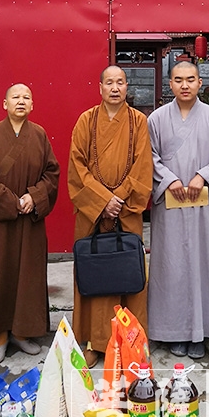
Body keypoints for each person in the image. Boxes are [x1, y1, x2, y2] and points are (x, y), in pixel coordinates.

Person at [0, 83, 59, 364]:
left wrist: (34, 196)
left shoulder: (39, 135)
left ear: (32, 105)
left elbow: (52, 174)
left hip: (29, 221)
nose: (21, 101)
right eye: (15, 97)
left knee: (27, 275)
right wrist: (9, 201)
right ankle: (0, 334)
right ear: (4, 104)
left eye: (26, 97)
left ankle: (23, 332)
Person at [68, 65, 153, 368]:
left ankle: (130, 342)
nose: (115, 88)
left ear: (127, 87)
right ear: (100, 87)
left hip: (125, 211)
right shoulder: (86, 121)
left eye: (120, 83)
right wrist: (103, 201)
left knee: (127, 278)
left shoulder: (138, 122)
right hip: (93, 212)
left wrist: (119, 199)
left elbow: (143, 167)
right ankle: (94, 342)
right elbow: (77, 167)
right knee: (94, 277)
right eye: (109, 83)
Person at [147, 62, 209, 359]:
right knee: (170, 265)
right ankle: (173, 331)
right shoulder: (156, 119)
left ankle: (201, 330)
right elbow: (149, 156)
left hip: (203, 202)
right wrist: (169, 179)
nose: (185, 85)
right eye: (178, 80)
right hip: (169, 204)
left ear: (200, 83)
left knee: (202, 262)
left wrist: (203, 176)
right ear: (169, 84)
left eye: (191, 80)